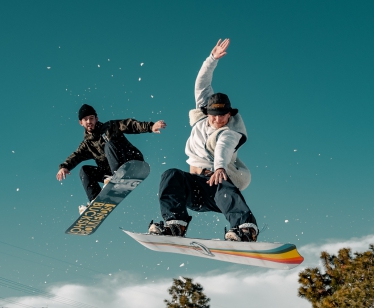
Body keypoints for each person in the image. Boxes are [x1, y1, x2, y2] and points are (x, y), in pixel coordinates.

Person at [148, 38, 257, 242]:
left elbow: (223, 148)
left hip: (215, 190)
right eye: (214, 115)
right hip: (192, 190)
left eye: (223, 116)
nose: (218, 120)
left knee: (223, 183)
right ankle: (175, 224)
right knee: (170, 175)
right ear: (207, 112)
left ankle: (245, 229)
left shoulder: (229, 132)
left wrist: (220, 168)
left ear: (229, 114)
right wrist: (212, 59)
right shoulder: (202, 119)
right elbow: (201, 84)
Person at [56, 104, 167, 211]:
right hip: (110, 173)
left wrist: (150, 126)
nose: (89, 122)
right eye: (86, 119)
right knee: (84, 170)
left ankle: (116, 176)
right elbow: (76, 156)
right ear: (81, 123)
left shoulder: (110, 127)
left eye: (91, 118)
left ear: (96, 118)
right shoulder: (87, 145)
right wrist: (65, 167)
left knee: (109, 145)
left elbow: (130, 124)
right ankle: (95, 200)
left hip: (131, 160)